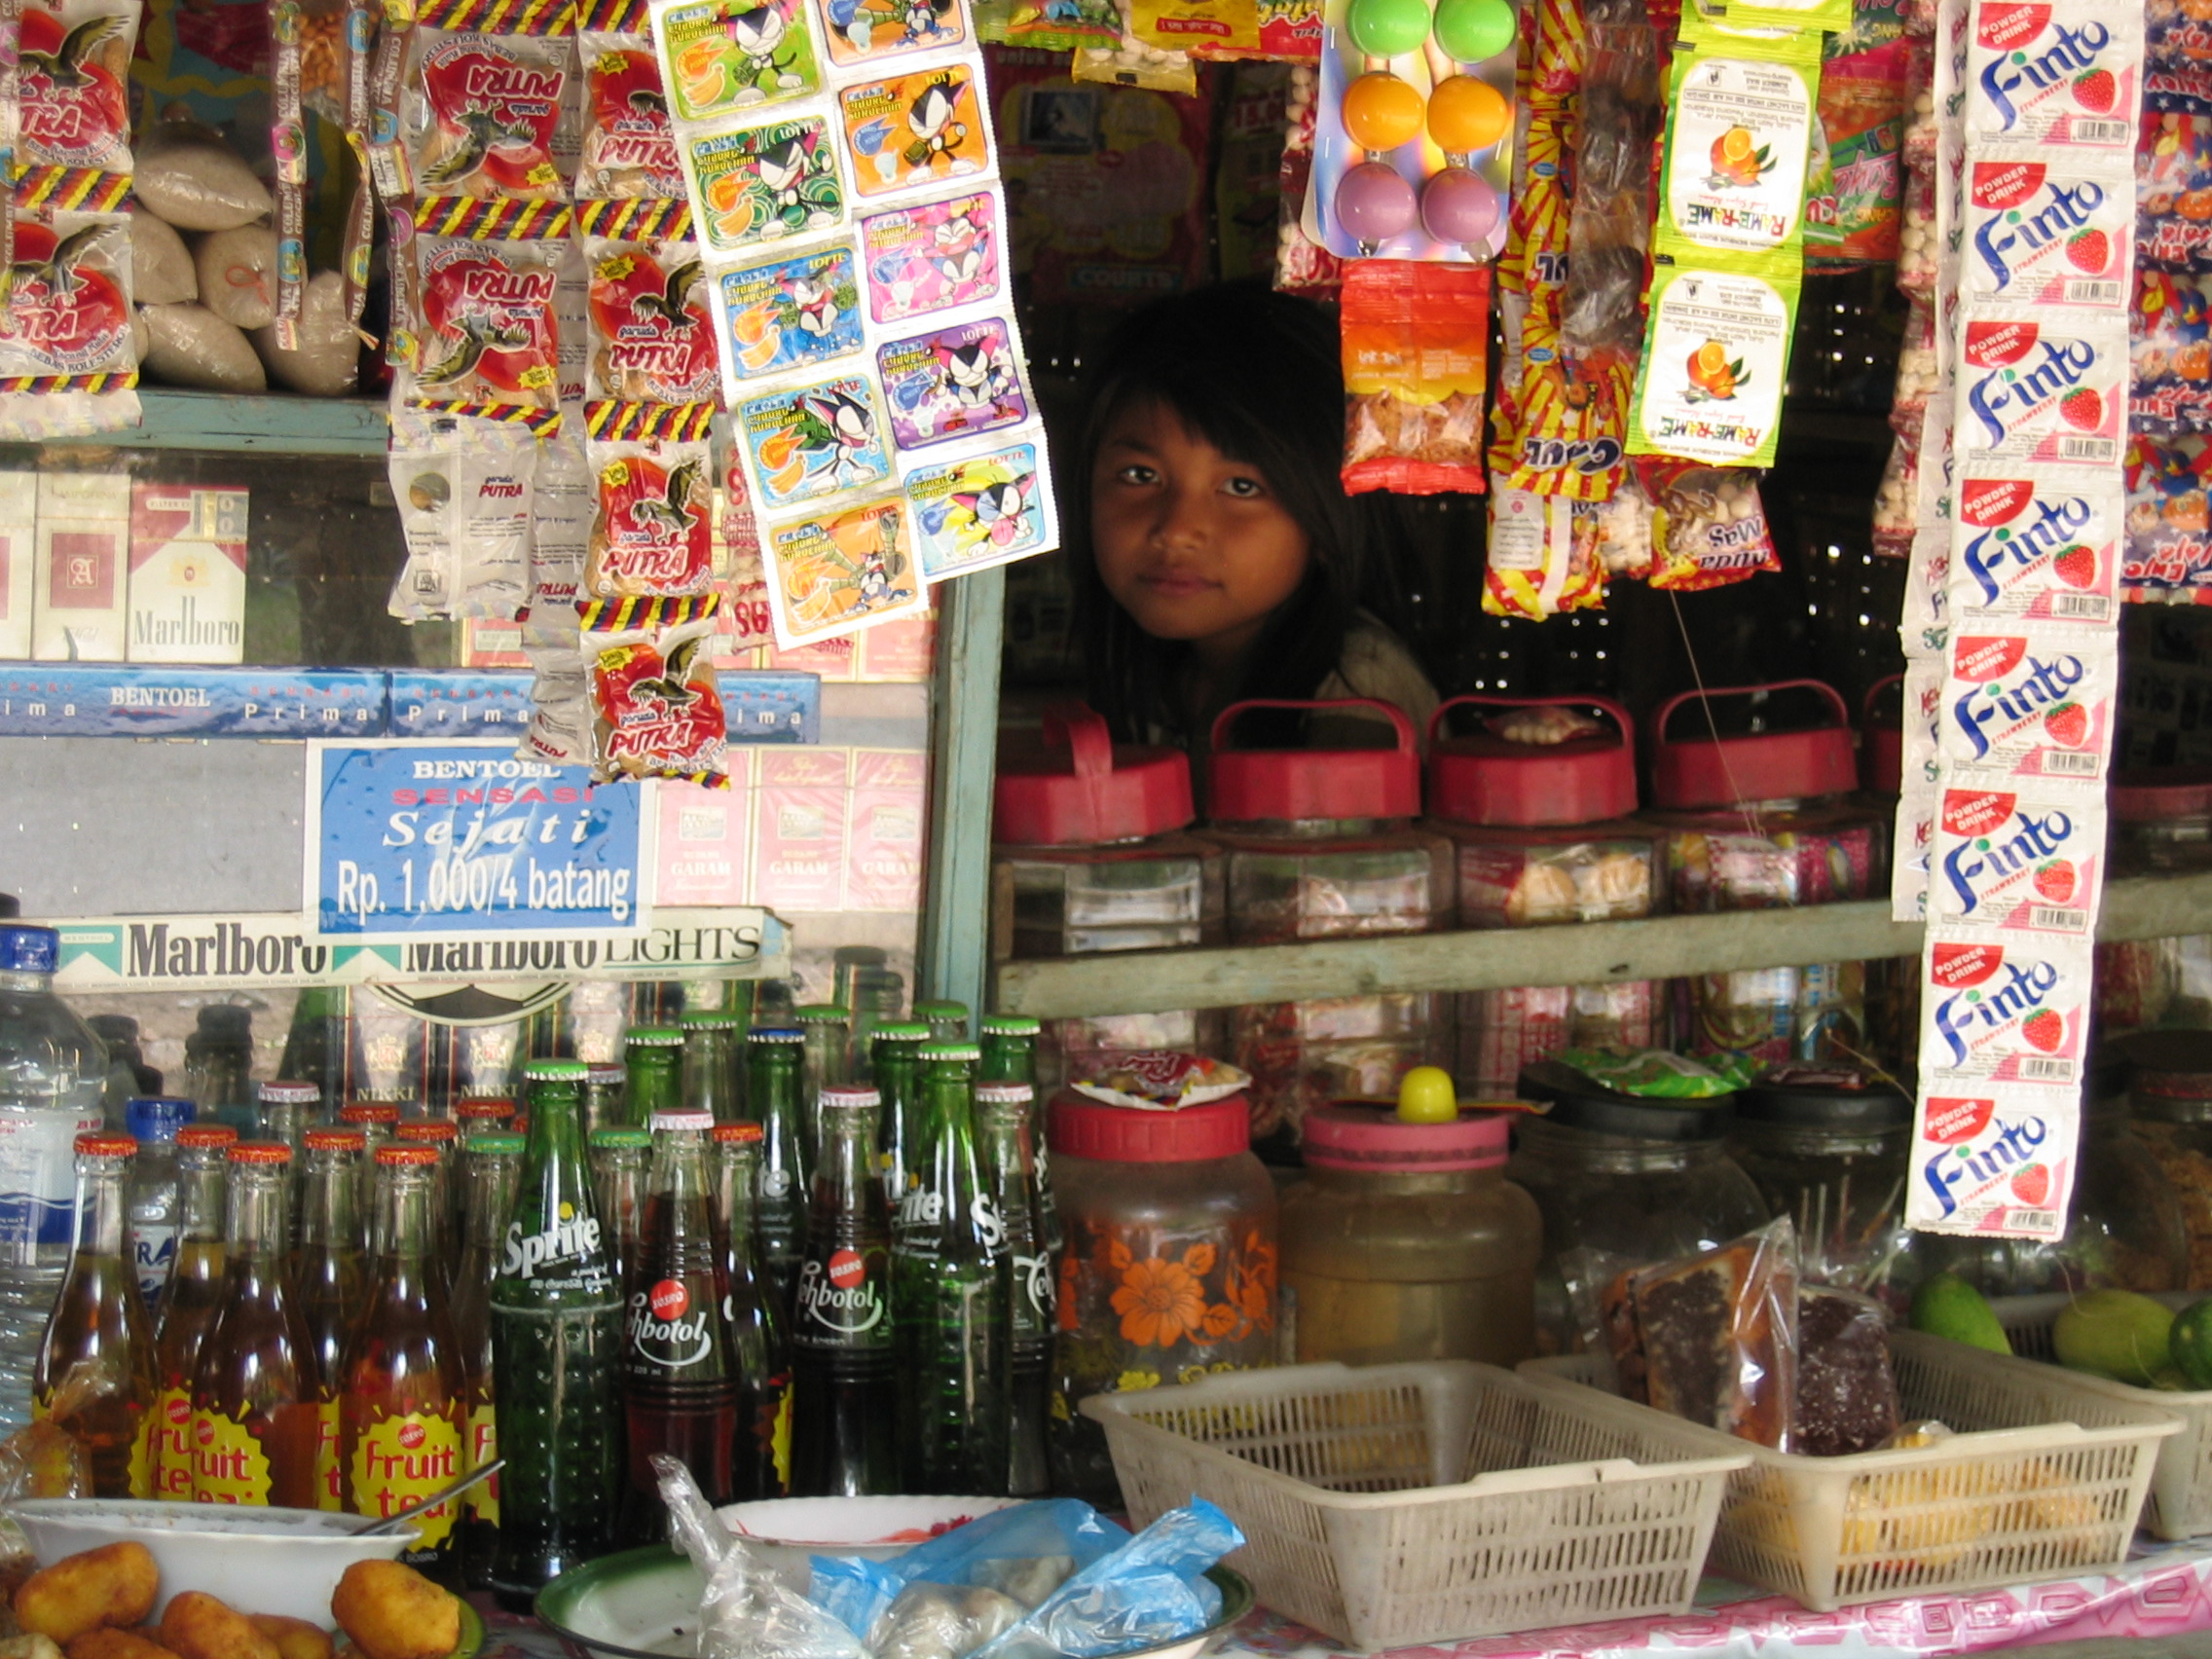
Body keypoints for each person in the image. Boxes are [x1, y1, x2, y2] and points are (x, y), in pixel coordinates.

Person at [1064, 281, 1440, 763]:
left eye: (1242, 487)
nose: (1177, 530)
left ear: (1330, 517)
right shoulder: (1171, 674)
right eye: (1141, 476)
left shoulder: (1358, 688)